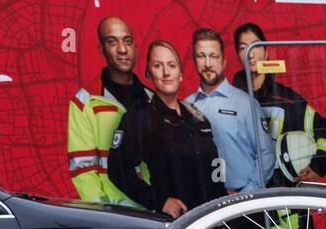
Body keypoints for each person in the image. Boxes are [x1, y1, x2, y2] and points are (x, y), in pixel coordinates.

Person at [107, 40, 226, 218]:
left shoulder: (197, 117)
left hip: (210, 221)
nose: (166, 72)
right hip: (175, 223)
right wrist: (160, 201)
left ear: (180, 75)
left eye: (172, 65)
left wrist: (220, 202)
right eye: (157, 66)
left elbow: (215, 166)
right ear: (149, 73)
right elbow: (118, 170)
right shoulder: (140, 116)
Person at [231, 22, 326, 183]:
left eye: (256, 46)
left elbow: (325, 131)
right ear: (238, 55)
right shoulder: (229, 102)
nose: (250, 54)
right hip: (245, 197)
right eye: (243, 47)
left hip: (284, 196)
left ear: (266, 53)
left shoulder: (287, 99)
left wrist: (317, 166)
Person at [67, 16, 151, 205]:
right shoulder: (85, 102)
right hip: (115, 214)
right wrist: (102, 215)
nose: (122, 49)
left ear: (135, 47)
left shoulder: (152, 99)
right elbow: (83, 171)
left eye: (127, 41)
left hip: (155, 210)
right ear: (101, 49)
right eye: (112, 42)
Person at [185, 29, 274, 193]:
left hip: (243, 204)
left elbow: (266, 154)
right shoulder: (186, 106)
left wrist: (245, 195)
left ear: (224, 61)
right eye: (201, 56)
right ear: (194, 60)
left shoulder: (246, 104)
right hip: (204, 205)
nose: (207, 63)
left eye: (213, 56)